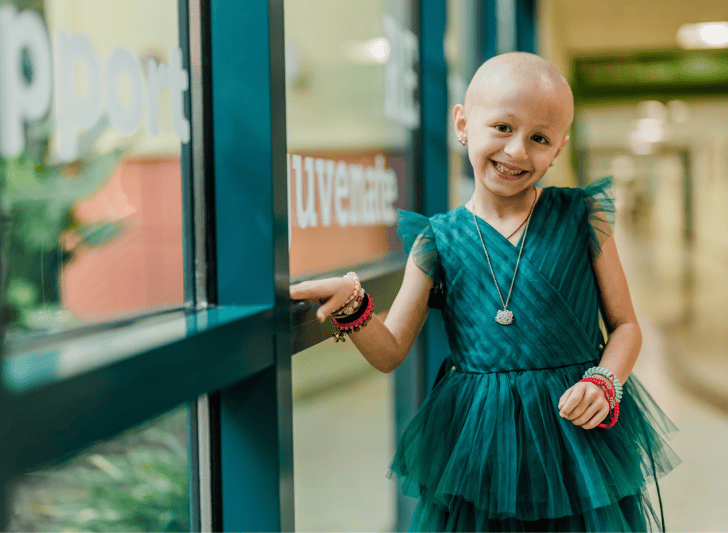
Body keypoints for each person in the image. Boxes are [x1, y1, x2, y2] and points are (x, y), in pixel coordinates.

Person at [289, 52, 680, 532]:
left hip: (575, 435)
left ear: (558, 149)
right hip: (480, 440)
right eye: (502, 127)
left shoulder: (580, 217)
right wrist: (352, 302)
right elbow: (390, 350)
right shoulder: (438, 238)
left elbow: (625, 326)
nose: (517, 151)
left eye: (539, 138)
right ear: (463, 123)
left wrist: (606, 380)